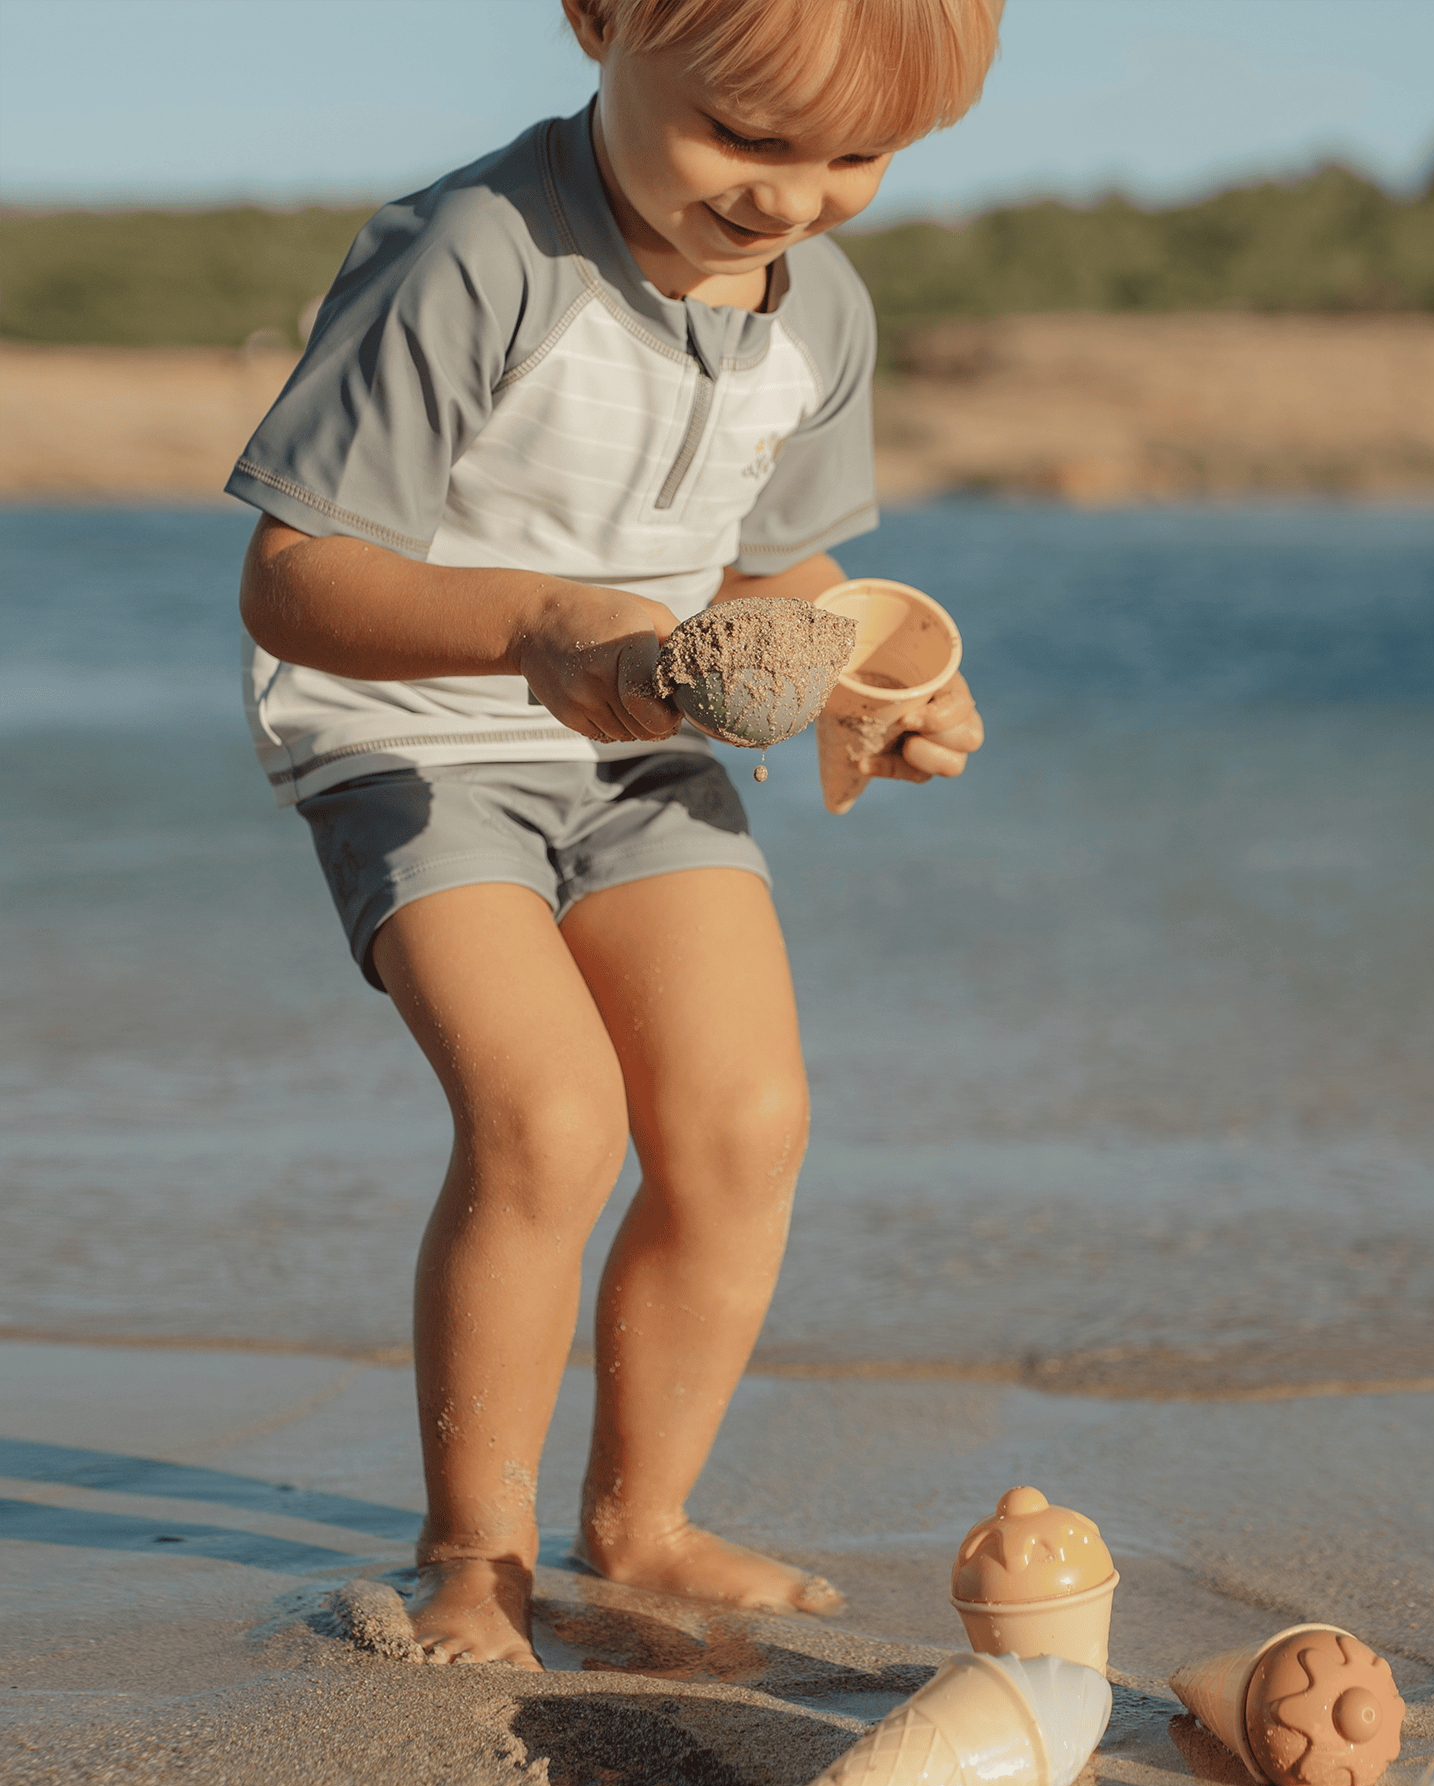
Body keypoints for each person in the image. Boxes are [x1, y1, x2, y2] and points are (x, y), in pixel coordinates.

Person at [229, 0, 998, 1667]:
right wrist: (543, 631)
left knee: (743, 1120)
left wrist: (880, 690)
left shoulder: (822, 313)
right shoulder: (474, 251)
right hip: (414, 738)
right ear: (598, 22)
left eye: (854, 157)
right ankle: (473, 1559)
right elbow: (294, 579)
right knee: (552, 1120)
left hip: (642, 746)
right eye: (745, 135)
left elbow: (780, 589)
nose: (789, 200)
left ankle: (641, 1526)